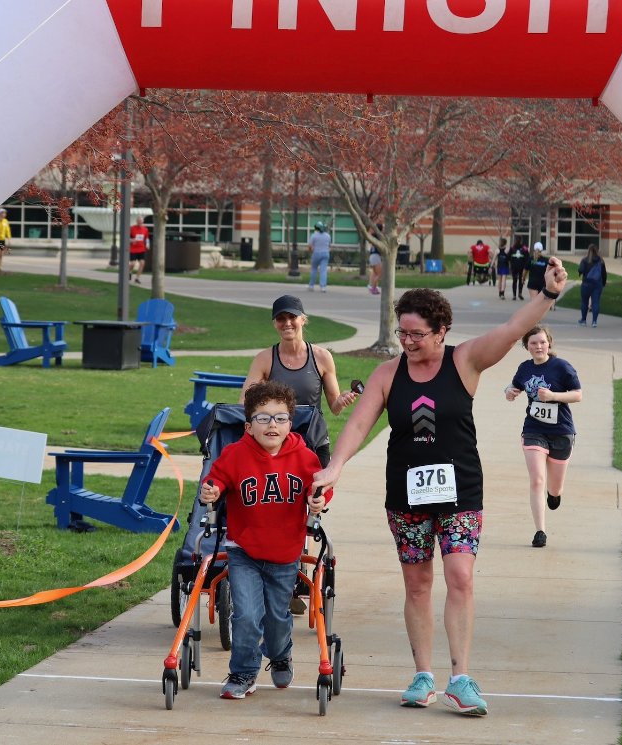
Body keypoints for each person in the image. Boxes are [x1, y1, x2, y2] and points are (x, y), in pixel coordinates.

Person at [312, 259, 568, 717]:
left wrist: (546, 295)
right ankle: (423, 675)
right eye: (402, 334)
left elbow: (512, 329)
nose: (407, 342)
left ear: (441, 331)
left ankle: (461, 678)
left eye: (417, 334)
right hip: (406, 494)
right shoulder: (389, 374)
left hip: (461, 490)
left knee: (461, 578)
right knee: (417, 583)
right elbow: (360, 423)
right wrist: (335, 467)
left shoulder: (465, 360)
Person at [199, 381, 329, 700]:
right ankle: (243, 672)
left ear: (290, 423)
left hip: (285, 554)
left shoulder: (305, 457)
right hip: (243, 551)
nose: (272, 424)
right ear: (248, 425)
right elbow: (215, 480)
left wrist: (319, 500)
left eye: (281, 418)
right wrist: (211, 491)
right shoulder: (234, 455)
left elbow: (321, 488)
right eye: (263, 418)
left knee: (277, 618)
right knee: (245, 615)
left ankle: (280, 654)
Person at [241, 295, 358, 468]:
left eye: (292, 317)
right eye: (281, 318)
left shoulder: (322, 357)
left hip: (313, 439)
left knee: (318, 493)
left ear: (303, 319)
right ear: (275, 324)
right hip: (277, 440)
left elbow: (335, 408)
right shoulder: (264, 359)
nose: (287, 323)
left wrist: (341, 401)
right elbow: (244, 402)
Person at [504, 326, 582, 549]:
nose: (538, 347)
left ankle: (554, 494)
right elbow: (514, 387)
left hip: (561, 432)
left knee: (554, 488)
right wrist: (508, 391)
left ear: (549, 343)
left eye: (542, 342)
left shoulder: (562, 367)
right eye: (533, 343)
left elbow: (578, 394)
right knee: (537, 479)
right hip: (534, 429)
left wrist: (553, 396)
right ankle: (540, 531)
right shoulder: (525, 368)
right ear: (527, 347)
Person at [577, 243, 607, 327]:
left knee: (584, 302)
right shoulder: (601, 261)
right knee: (595, 302)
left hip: (586, 283)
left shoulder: (585, 260)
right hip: (597, 284)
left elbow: (581, 270)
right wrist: (603, 283)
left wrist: (580, 272)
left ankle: (583, 320)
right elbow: (604, 274)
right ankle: (594, 321)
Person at [307, 221, 331, 292]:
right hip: (325, 253)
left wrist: (311, 251)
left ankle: (311, 285)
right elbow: (329, 246)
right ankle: (323, 287)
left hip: (316, 253)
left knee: (314, 269)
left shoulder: (314, 235)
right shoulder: (327, 236)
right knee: (323, 270)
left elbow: (310, 246)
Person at [129, 215, 149, 284]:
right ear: (137, 221)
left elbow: (146, 239)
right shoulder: (132, 228)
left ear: (143, 222)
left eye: (141, 222)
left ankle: (137, 278)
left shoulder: (145, 229)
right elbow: (127, 238)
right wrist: (131, 240)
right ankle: (129, 272)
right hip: (133, 249)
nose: (140, 223)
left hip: (141, 249)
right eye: (139, 221)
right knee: (132, 263)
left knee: (142, 263)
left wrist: (148, 245)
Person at [368, 229, 383, 295]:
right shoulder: (378, 240)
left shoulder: (373, 240)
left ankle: (374, 287)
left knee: (375, 273)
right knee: (379, 274)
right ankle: (373, 288)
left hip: (372, 256)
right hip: (376, 256)